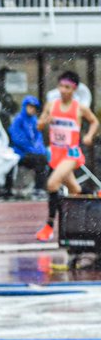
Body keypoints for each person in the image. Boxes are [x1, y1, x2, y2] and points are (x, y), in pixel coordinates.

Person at [37, 71, 99, 241]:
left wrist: (88, 136)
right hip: (55, 153)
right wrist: (45, 121)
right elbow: (39, 125)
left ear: (74, 89)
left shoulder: (79, 107)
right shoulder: (51, 105)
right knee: (75, 190)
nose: (63, 90)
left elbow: (94, 121)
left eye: (67, 87)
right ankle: (95, 195)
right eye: (61, 87)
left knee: (52, 183)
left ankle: (49, 226)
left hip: (71, 154)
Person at [8, 96, 51, 202]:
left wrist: (40, 150)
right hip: (20, 153)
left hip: (34, 153)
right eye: (30, 106)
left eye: (34, 107)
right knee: (39, 160)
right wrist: (31, 149)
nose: (32, 109)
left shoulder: (34, 121)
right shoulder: (18, 119)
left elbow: (38, 139)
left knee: (44, 159)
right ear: (25, 107)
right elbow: (17, 138)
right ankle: (38, 189)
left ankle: (41, 188)